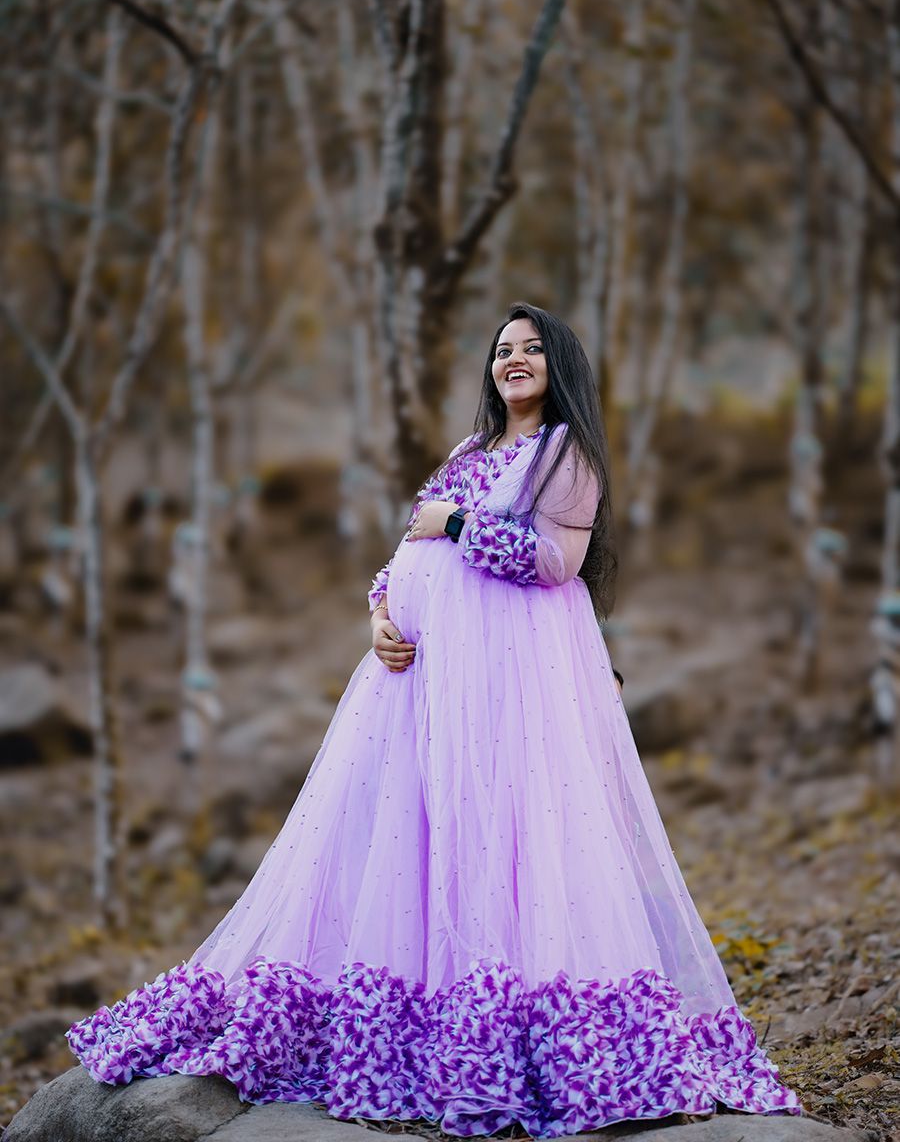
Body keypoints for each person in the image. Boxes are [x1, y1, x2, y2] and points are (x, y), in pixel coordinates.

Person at [66, 303, 803, 1139]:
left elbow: (554, 562)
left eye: (531, 349)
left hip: (502, 684)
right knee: (409, 833)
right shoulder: (469, 451)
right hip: (420, 683)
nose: (513, 359)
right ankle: (394, 1024)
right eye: (502, 349)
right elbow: (403, 554)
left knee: (498, 834)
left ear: (559, 365)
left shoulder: (564, 454)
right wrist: (380, 614)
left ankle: (506, 1040)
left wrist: (453, 523)